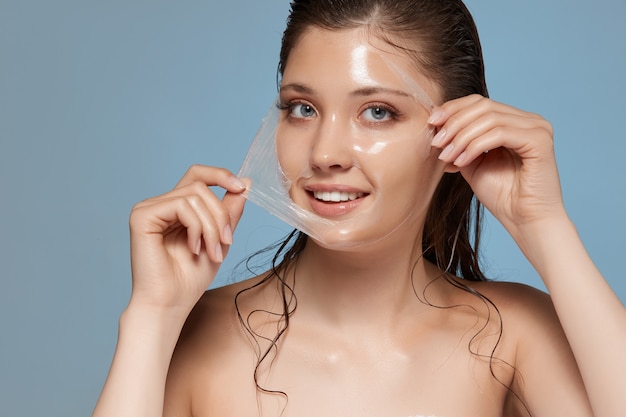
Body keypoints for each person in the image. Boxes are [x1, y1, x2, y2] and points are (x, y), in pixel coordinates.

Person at [92, 1, 625, 416]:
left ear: (457, 133)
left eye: (377, 112)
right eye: (302, 109)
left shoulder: (513, 336)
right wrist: (151, 318)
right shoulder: (196, 334)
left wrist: (544, 226)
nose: (324, 154)